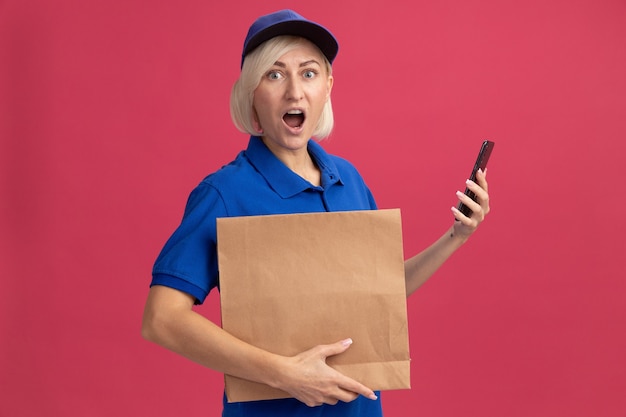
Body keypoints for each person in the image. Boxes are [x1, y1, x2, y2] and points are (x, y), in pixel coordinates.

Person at [141, 9, 490, 417]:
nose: (294, 91)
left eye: (308, 73)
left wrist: (456, 236)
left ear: (327, 87)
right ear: (250, 93)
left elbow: (379, 295)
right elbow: (161, 319)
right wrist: (284, 373)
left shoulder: (349, 180)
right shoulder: (224, 194)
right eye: (274, 74)